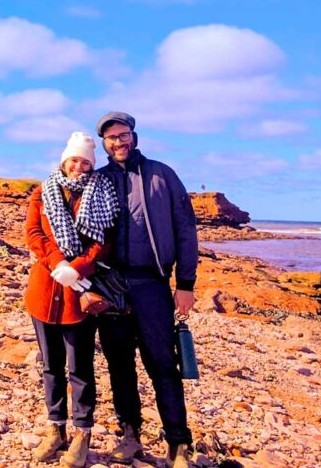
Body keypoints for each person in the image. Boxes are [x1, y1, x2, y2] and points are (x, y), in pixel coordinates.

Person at [94, 111, 198, 468]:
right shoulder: (98, 180)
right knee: (119, 364)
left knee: (162, 363)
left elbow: (186, 229)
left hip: (152, 283)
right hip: (110, 285)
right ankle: (130, 434)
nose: (119, 142)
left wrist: (185, 284)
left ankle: (179, 443)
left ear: (134, 137)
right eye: (111, 138)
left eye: (123, 135)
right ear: (104, 144)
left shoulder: (162, 175)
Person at [25, 131, 120, 467]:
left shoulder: (101, 195)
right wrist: (57, 263)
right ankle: (56, 429)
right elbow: (34, 233)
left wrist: (77, 268)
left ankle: (82, 433)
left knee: (79, 367)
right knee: (51, 366)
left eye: (85, 162)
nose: (78, 166)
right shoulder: (42, 192)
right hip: (44, 289)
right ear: (64, 161)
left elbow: (102, 243)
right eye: (74, 160)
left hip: (78, 296)